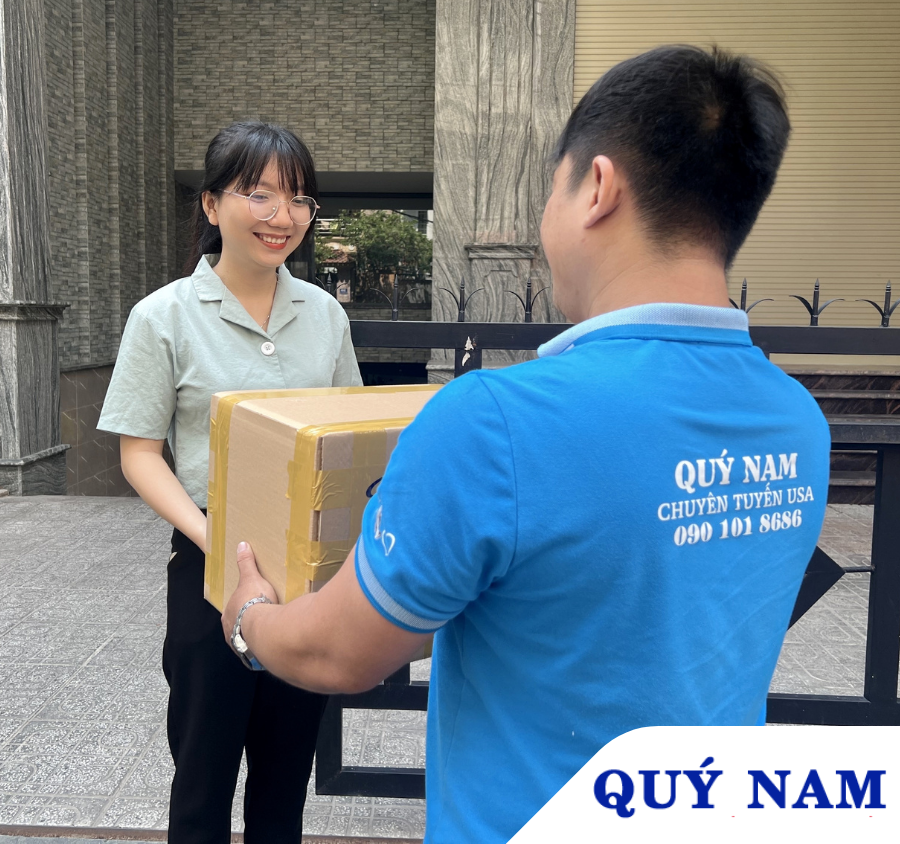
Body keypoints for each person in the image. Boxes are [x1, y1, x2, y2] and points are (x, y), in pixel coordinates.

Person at [220, 47, 832, 843]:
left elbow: (338, 654)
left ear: (597, 189)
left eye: (552, 188)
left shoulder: (496, 423)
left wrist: (250, 617)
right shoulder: (797, 421)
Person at [98, 120, 362, 844]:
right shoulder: (163, 316)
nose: (284, 216)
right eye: (260, 194)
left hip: (305, 572)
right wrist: (213, 539)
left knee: (285, 778)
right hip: (207, 563)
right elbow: (139, 453)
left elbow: (347, 431)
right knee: (203, 777)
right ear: (212, 205)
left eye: (299, 198)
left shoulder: (325, 315)